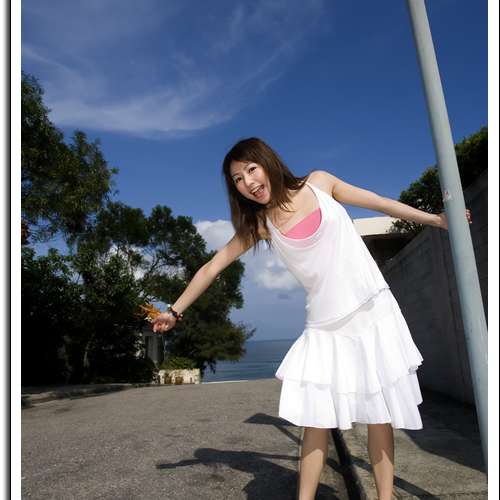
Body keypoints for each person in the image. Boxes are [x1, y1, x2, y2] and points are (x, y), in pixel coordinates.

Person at [152, 137, 472, 500]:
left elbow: (379, 202)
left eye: (251, 170)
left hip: (372, 312)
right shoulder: (261, 224)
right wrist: (174, 311)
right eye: (237, 180)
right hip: (324, 327)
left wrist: (436, 220)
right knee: (316, 420)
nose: (248, 182)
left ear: (267, 163)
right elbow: (212, 267)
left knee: (379, 415)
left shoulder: (320, 183)